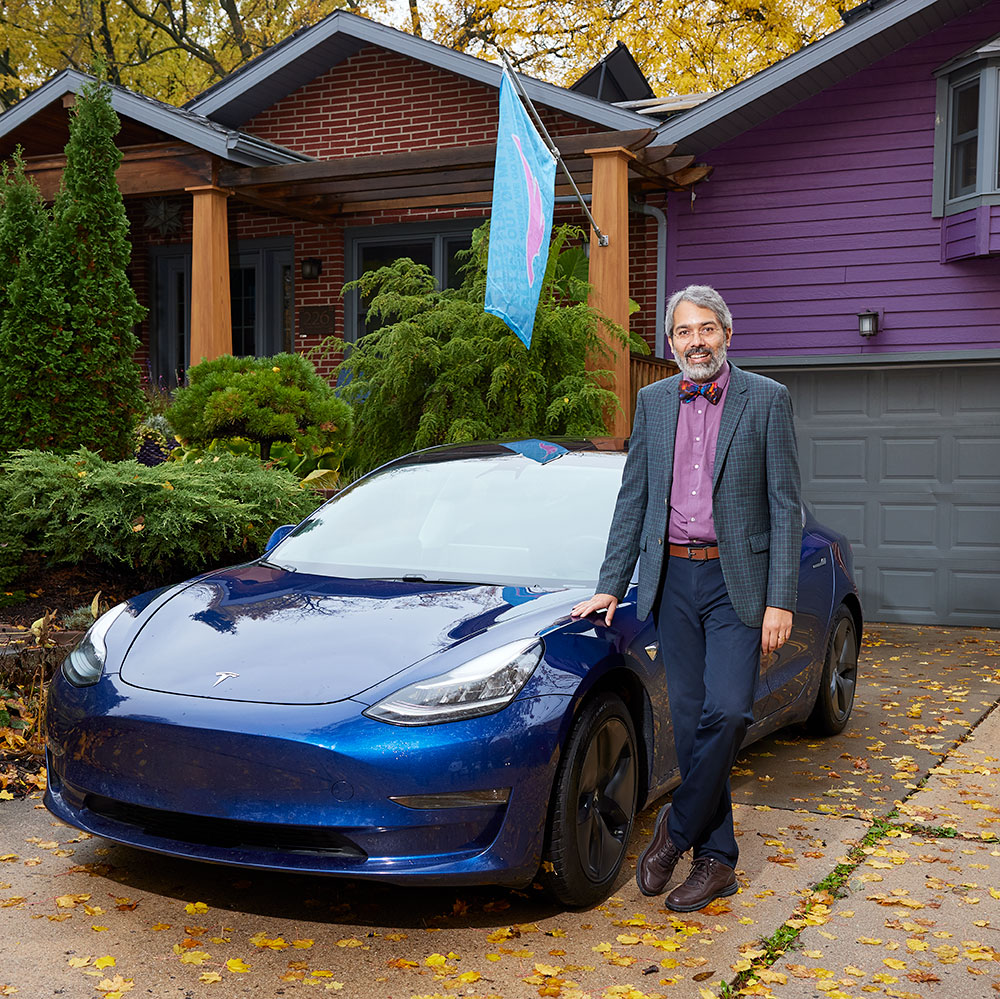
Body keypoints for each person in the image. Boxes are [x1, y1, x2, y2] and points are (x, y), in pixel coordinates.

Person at [571, 285, 801, 912]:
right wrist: (610, 585)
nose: (695, 341)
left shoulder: (766, 400)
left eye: (706, 330)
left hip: (736, 584)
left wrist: (781, 599)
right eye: (683, 332)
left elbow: (785, 505)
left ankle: (673, 834)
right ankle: (718, 860)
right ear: (670, 343)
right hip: (671, 581)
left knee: (728, 714)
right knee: (695, 723)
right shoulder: (652, 401)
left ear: (727, 334)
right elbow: (634, 497)